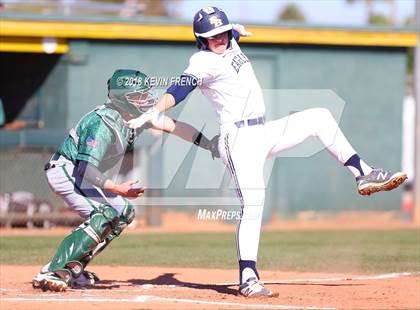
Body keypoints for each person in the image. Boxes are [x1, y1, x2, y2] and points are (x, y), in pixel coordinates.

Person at [127, 7, 408, 298]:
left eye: (222, 32)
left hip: (262, 131)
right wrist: (155, 110)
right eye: (212, 36)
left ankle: (364, 174)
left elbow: (231, 32)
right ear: (201, 40)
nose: (220, 39)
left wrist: (234, 28)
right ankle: (248, 277)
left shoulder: (229, 39)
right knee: (254, 203)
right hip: (237, 140)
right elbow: (180, 88)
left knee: (320, 117)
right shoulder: (202, 61)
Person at [32, 69, 219, 292]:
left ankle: (73, 268)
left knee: (123, 214)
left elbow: (175, 126)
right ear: (122, 98)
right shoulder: (102, 122)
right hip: (67, 170)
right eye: (138, 96)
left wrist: (208, 144)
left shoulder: (138, 116)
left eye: (145, 94)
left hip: (87, 175)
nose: (146, 100)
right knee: (105, 214)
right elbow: (86, 168)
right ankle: (53, 271)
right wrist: (115, 187)